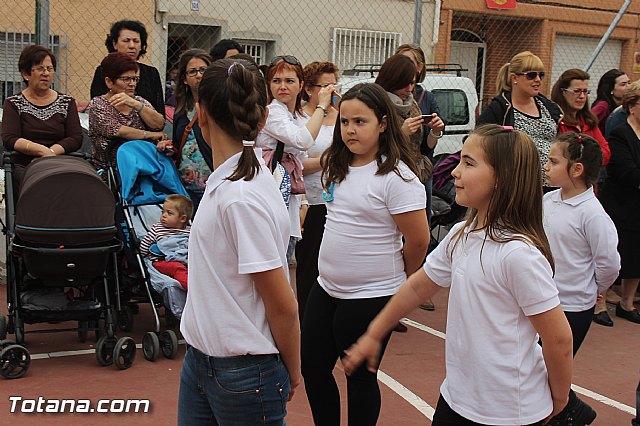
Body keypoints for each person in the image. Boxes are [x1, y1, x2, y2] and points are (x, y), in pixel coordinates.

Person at [342, 124, 597, 426]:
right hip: (456, 399)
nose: (454, 172)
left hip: (507, 413)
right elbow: (417, 287)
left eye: (468, 163)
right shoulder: (461, 235)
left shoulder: (518, 255)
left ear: (501, 178)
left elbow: (558, 337)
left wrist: (559, 399)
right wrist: (374, 333)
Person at [178, 58, 300, 425]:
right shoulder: (235, 181)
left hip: (244, 373)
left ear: (200, 115)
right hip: (202, 361)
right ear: (263, 118)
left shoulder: (240, 198)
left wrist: (292, 371)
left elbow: (282, 305)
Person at [301, 83, 429, 426]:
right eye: (344, 122)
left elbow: (418, 241)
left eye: (360, 121)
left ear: (383, 123)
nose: (350, 130)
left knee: (358, 377)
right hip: (326, 288)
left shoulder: (396, 178)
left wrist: (397, 281)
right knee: (312, 367)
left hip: (370, 295)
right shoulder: (337, 164)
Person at [542, 132, 620, 355]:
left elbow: (609, 263)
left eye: (553, 162)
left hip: (572, 306)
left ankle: (564, 391)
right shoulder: (548, 199)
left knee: (556, 365)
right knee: (535, 365)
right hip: (543, 297)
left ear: (577, 170)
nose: (546, 166)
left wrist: (595, 287)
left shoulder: (593, 215)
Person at [255, 55, 333, 268]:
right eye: (276, 81)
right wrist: (323, 106)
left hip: (288, 200)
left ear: (300, 86)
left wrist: (303, 202)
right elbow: (303, 141)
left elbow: (301, 163)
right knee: (274, 265)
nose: (282, 86)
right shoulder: (272, 112)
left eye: (289, 81)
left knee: (286, 260)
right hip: (268, 199)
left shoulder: (294, 115)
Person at [395, 43, 446, 312]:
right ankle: (396, 286)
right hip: (393, 170)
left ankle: (416, 284)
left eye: (413, 62)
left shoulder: (426, 97)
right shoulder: (384, 97)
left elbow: (428, 146)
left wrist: (436, 131)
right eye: (402, 61)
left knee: (420, 229)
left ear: (421, 68)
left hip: (418, 171)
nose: (408, 68)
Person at [1, 44, 82, 197]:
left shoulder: (67, 102)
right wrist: (41, 151)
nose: (46, 73)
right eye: (40, 69)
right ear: (26, 74)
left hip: (59, 162)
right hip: (24, 165)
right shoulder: (13, 103)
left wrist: (49, 153)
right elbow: (9, 138)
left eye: (49, 69)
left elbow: (76, 137)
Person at [477, 51, 562, 191]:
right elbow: (479, 141)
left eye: (541, 75)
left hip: (551, 185)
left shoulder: (548, 107)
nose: (538, 80)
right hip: (516, 187)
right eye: (531, 75)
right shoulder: (500, 108)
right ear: (514, 78)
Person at [295, 60, 339, 321]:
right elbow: (294, 164)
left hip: (339, 200)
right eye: (324, 86)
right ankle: (306, 318)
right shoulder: (300, 118)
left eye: (334, 85)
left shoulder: (342, 114)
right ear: (310, 89)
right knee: (309, 264)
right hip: (309, 201)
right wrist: (327, 160)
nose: (330, 91)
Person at [600, 80, 640, 325]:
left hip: (638, 203)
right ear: (632, 106)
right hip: (621, 202)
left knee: (638, 254)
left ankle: (627, 303)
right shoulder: (620, 132)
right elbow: (626, 171)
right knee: (614, 255)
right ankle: (600, 302)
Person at [88, 52, 166, 176]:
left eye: (135, 79)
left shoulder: (139, 101)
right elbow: (118, 131)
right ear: (109, 82)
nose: (132, 84)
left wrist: (137, 105)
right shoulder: (98, 105)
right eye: (126, 79)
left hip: (144, 167)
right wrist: (151, 135)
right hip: (112, 172)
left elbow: (159, 124)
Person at [90, 20, 165, 117]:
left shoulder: (151, 73)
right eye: (126, 41)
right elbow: (99, 111)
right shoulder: (103, 71)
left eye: (136, 41)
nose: (132, 46)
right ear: (114, 44)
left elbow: (160, 112)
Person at [171, 49, 213, 210]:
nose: (199, 75)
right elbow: (178, 145)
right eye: (193, 71)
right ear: (185, 79)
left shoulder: (219, 106)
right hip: (186, 189)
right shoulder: (181, 111)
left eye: (203, 70)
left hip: (213, 185)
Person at [551, 69, 611, 166]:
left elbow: (606, 153)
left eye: (585, 91)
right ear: (563, 92)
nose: (582, 96)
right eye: (577, 91)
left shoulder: (588, 121)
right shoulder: (556, 121)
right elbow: (562, 157)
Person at [139, 194, 192, 290]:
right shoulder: (157, 228)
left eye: (169, 213)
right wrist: (144, 255)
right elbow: (144, 244)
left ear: (183, 218)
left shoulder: (190, 231)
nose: (164, 215)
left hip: (185, 259)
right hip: (163, 261)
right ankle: (193, 289)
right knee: (177, 268)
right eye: (162, 212)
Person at [591, 69, 630, 136]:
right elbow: (587, 124)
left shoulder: (625, 106)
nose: (629, 87)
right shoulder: (602, 106)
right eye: (623, 84)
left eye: (629, 83)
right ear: (611, 89)